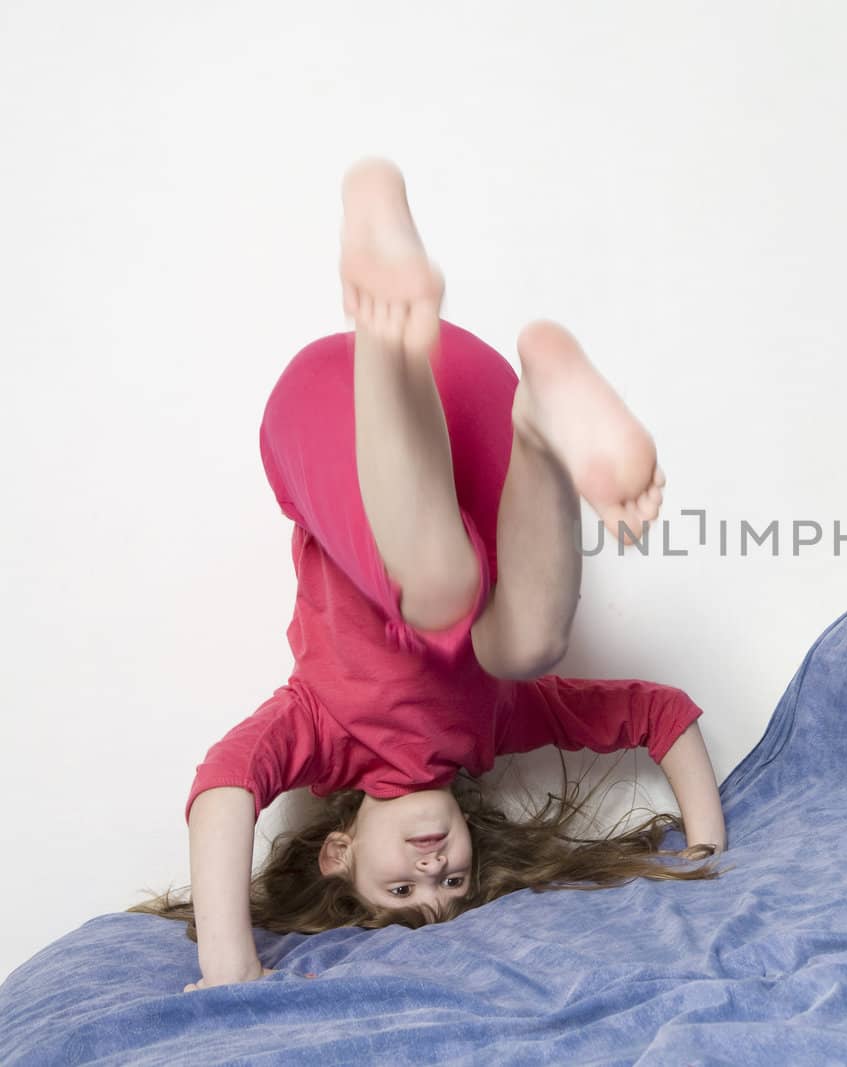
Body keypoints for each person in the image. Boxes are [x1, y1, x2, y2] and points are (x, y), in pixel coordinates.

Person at [139, 159, 727, 991]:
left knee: (446, 594)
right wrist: (706, 848)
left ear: (339, 851)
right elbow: (657, 713)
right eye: (454, 881)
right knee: (524, 643)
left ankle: (383, 323)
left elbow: (224, 788)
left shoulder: (316, 731)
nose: (435, 871)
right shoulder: (490, 732)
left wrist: (228, 963)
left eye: (403, 888)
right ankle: (539, 422)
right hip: (476, 403)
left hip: (330, 413)